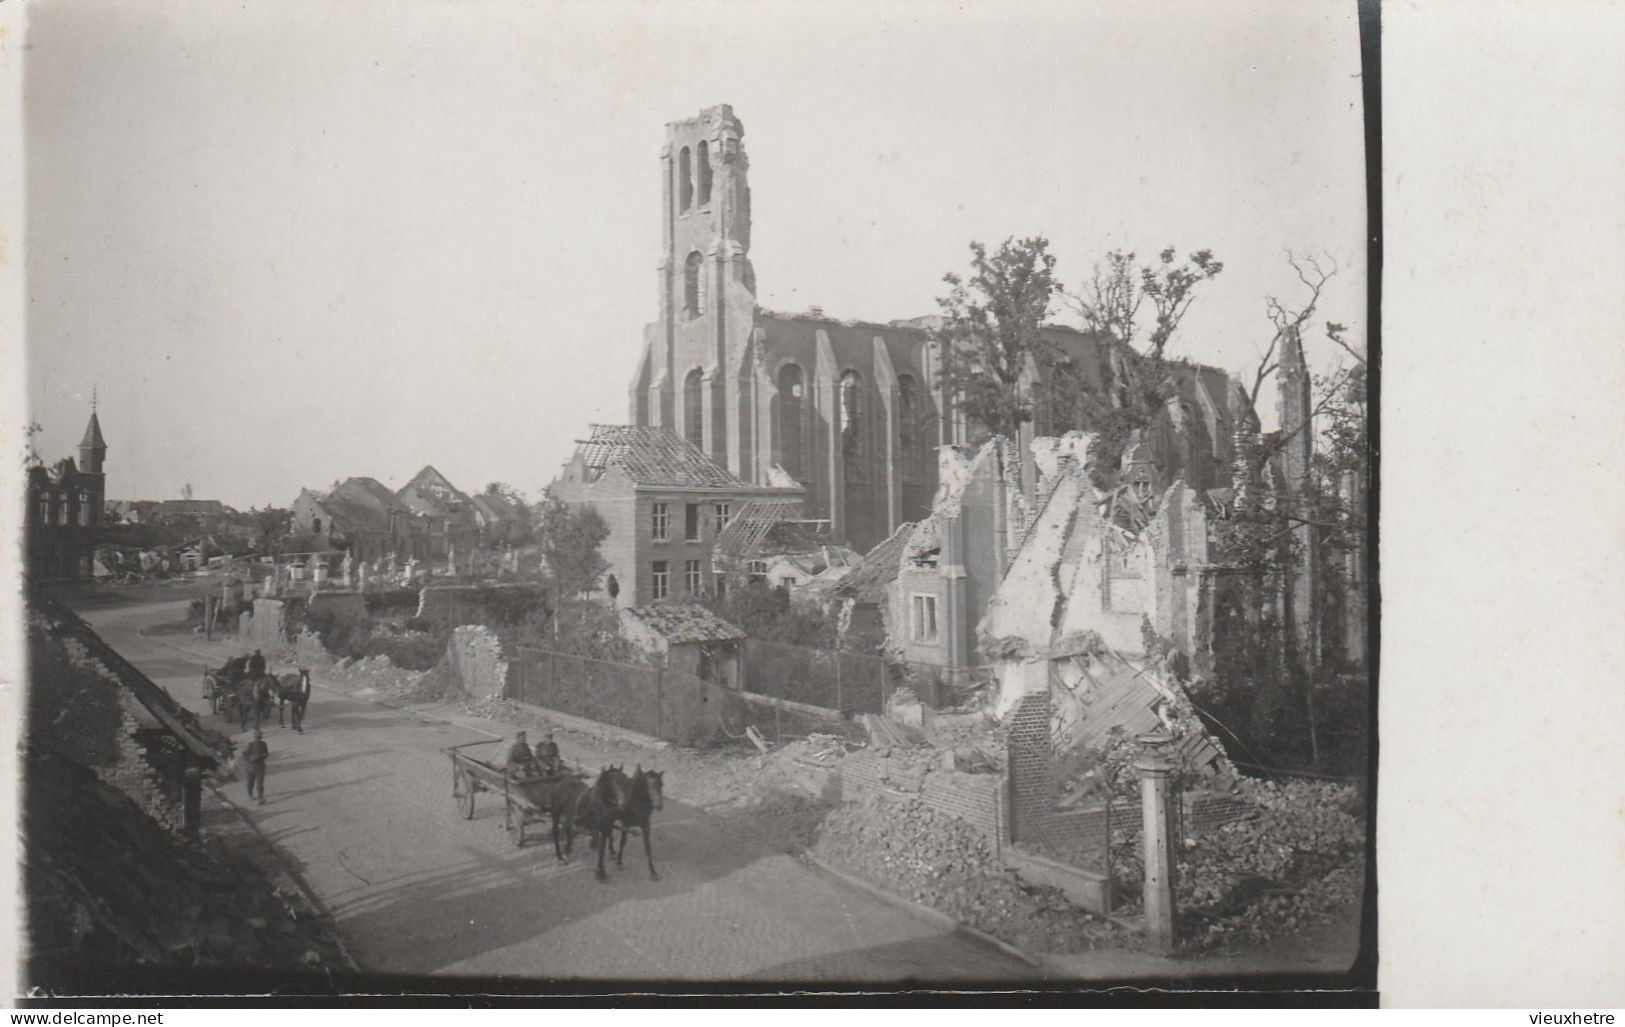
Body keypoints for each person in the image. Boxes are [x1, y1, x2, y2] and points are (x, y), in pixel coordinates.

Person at [243, 729, 269, 805]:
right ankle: (250, 795)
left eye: (260, 737)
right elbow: (245, 755)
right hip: (250, 767)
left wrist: (264, 755)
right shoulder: (250, 745)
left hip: (260, 766)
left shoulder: (263, 744)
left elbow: (266, 753)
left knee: (260, 783)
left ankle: (260, 798)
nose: (259, 738)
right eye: (257, 737)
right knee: (250, 782)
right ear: (254, 737)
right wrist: (253, 758)